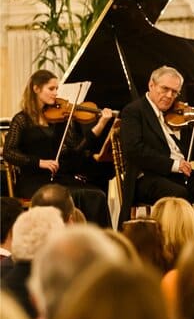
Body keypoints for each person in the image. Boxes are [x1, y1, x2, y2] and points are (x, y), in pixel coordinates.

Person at [119, 65, 194, 223]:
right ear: (151, 85)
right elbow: (134, 150)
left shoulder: (176, 115)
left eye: (175, 91)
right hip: (148, 178)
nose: (170, 96)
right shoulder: (134, 111)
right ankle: (181, 240)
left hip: (180, 177)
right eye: (165, 89)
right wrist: (175, 165)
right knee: (179, 193)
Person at [3, 70, 112, 227]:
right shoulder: (21, 119)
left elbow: (77, 148)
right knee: (77, 195)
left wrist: (100, 125)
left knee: (96, 195)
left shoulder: (59, 120)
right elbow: (9, 152)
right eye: (51, 88)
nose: (55, 93)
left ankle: (95, 244)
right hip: (34, 181)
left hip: (59, 178)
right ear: (36, 89)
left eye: (56, 89)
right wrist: (40, 162)